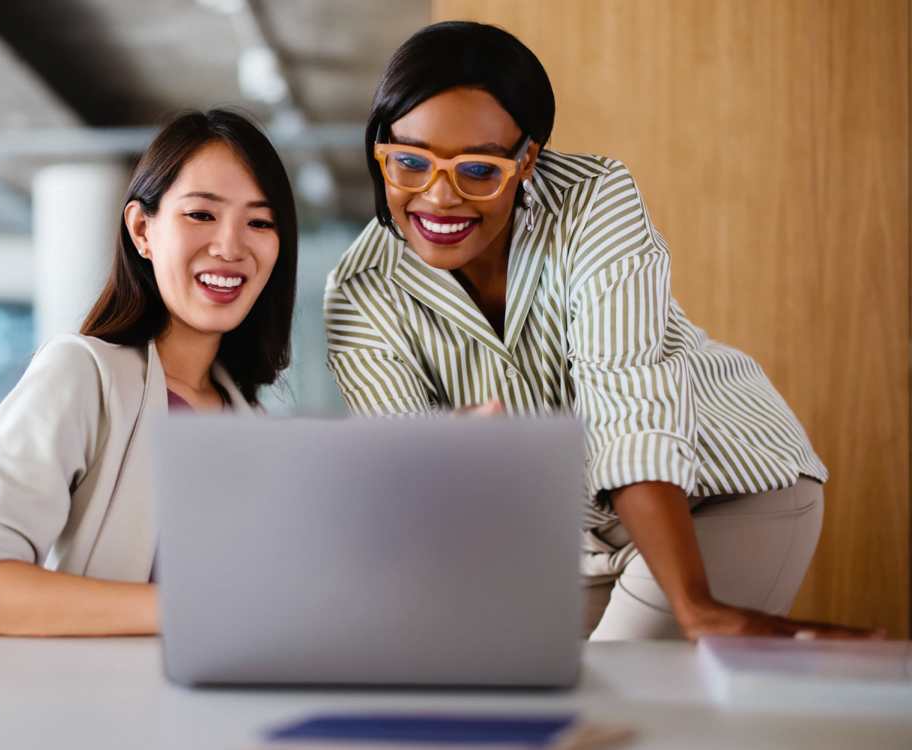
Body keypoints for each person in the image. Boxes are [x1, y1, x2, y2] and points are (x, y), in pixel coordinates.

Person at [324, 21, 879, 641]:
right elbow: (417, 480)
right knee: (516, 700)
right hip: (575, 538)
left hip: (721, 495)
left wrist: (696, 605)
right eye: (409, 162)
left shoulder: (593, 201)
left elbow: (628, 403)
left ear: (526, 159)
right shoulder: (360, 292)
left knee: (637, 718)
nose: (438, 198)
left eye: (478, 171)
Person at [0, 109, 298, 636]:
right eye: (201, 215)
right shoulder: (82, 373)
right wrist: (195, 611)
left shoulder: (249, 417)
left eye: (260, 222)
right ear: (143, 230)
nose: (231, 246)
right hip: (101, 704)